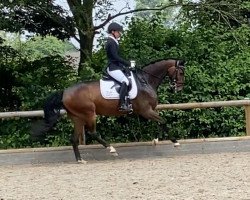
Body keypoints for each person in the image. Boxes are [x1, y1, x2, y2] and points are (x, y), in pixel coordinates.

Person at [105, 22, 133, 112]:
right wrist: (127, 63)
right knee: (125, 81)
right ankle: (122, 104)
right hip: (113, 68)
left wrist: (124, 66)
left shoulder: (113, 41)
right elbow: (115, 57)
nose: (120, 33)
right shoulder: (111, 42)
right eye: (118, 32)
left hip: (116, 66)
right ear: (113, 31)